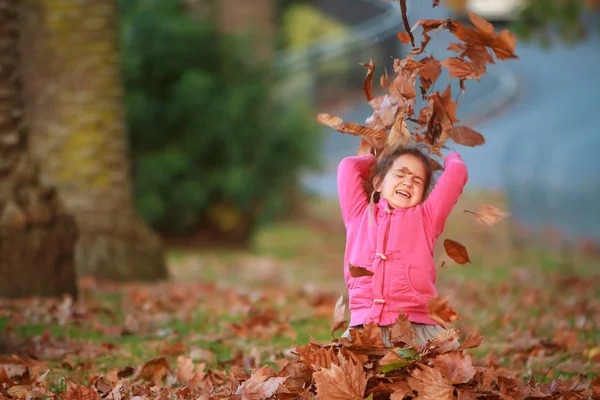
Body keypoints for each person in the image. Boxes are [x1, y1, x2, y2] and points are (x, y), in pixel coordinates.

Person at [337, 143, 468, 347]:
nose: (408, 182)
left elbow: (456, 173)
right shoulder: (359, 214)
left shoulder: (426, 218)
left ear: (423, 196)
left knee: (449, 373)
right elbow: (348, 167)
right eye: (400, 174)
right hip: (364, 328)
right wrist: (374, 159)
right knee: (346, 374)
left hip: (416, 325)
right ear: (379, 183)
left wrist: (448, 155)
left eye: (417, 180)